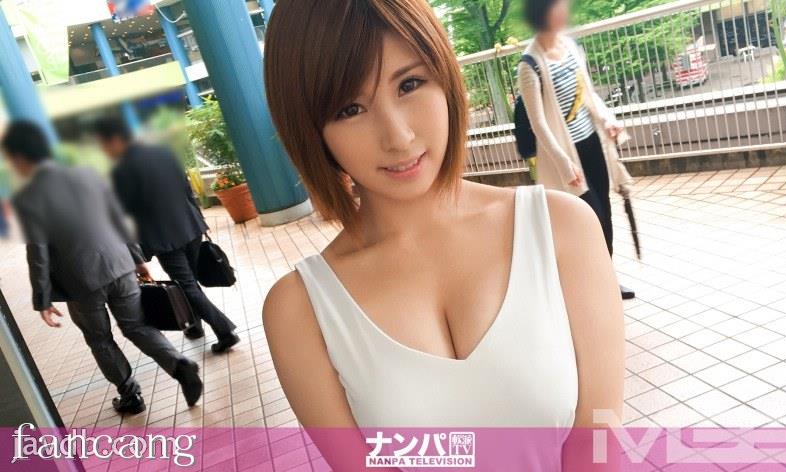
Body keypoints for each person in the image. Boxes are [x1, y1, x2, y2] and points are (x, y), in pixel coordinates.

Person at [261, 1, 624, 469]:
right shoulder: (300, 311)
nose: (398, 136)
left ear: (445, 77)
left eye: (409, 84)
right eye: (350, 109)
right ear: (311, 131)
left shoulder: (562, 227)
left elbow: (599, 436)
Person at [2, 121, 203, 415]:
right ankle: (180, 365)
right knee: (137, 325)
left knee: (99, 338)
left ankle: (130, 395)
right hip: (120, 265)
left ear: (19, 158)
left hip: (82, 282)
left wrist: (42, 299)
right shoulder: (86, 174)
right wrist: (138, 260)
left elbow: (38, 252)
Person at [518, 0, 637, 299]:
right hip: (567, 156)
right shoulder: (529, 64)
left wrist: (608, 120)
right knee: (591, 219)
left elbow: (588, 95)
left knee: (605, 212)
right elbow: (538, 124)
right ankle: (592, 282)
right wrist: (563, 163)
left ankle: (607, 279)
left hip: (593, 145)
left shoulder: (570, 46)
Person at [93, 118, 239, 353]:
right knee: (189, 282)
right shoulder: (162, 152)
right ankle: (194, 326)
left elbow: (126, 213)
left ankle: (225, 331)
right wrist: (199, 220)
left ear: (115, 140)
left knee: (186, 285)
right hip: (190, 226)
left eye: (103, 145)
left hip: (164, 239)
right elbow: (186, 188)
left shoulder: (121, 170)